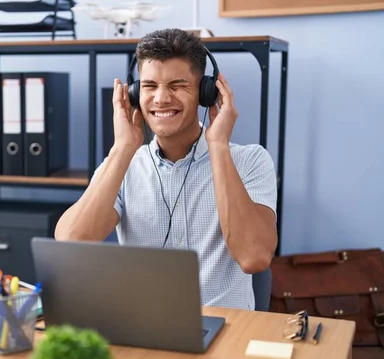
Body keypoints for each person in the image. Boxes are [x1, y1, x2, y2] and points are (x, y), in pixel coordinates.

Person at [54, 28, 278, 310]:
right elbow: (72, 243)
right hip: (146, 330)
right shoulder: (124, 166)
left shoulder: (251, 162)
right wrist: (123, 147)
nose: (161, 98)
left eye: (177, 85)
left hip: (227, 332)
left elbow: (254, 257)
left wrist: (218, 145)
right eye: (149, 86)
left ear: (206, 92)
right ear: (134, 94)